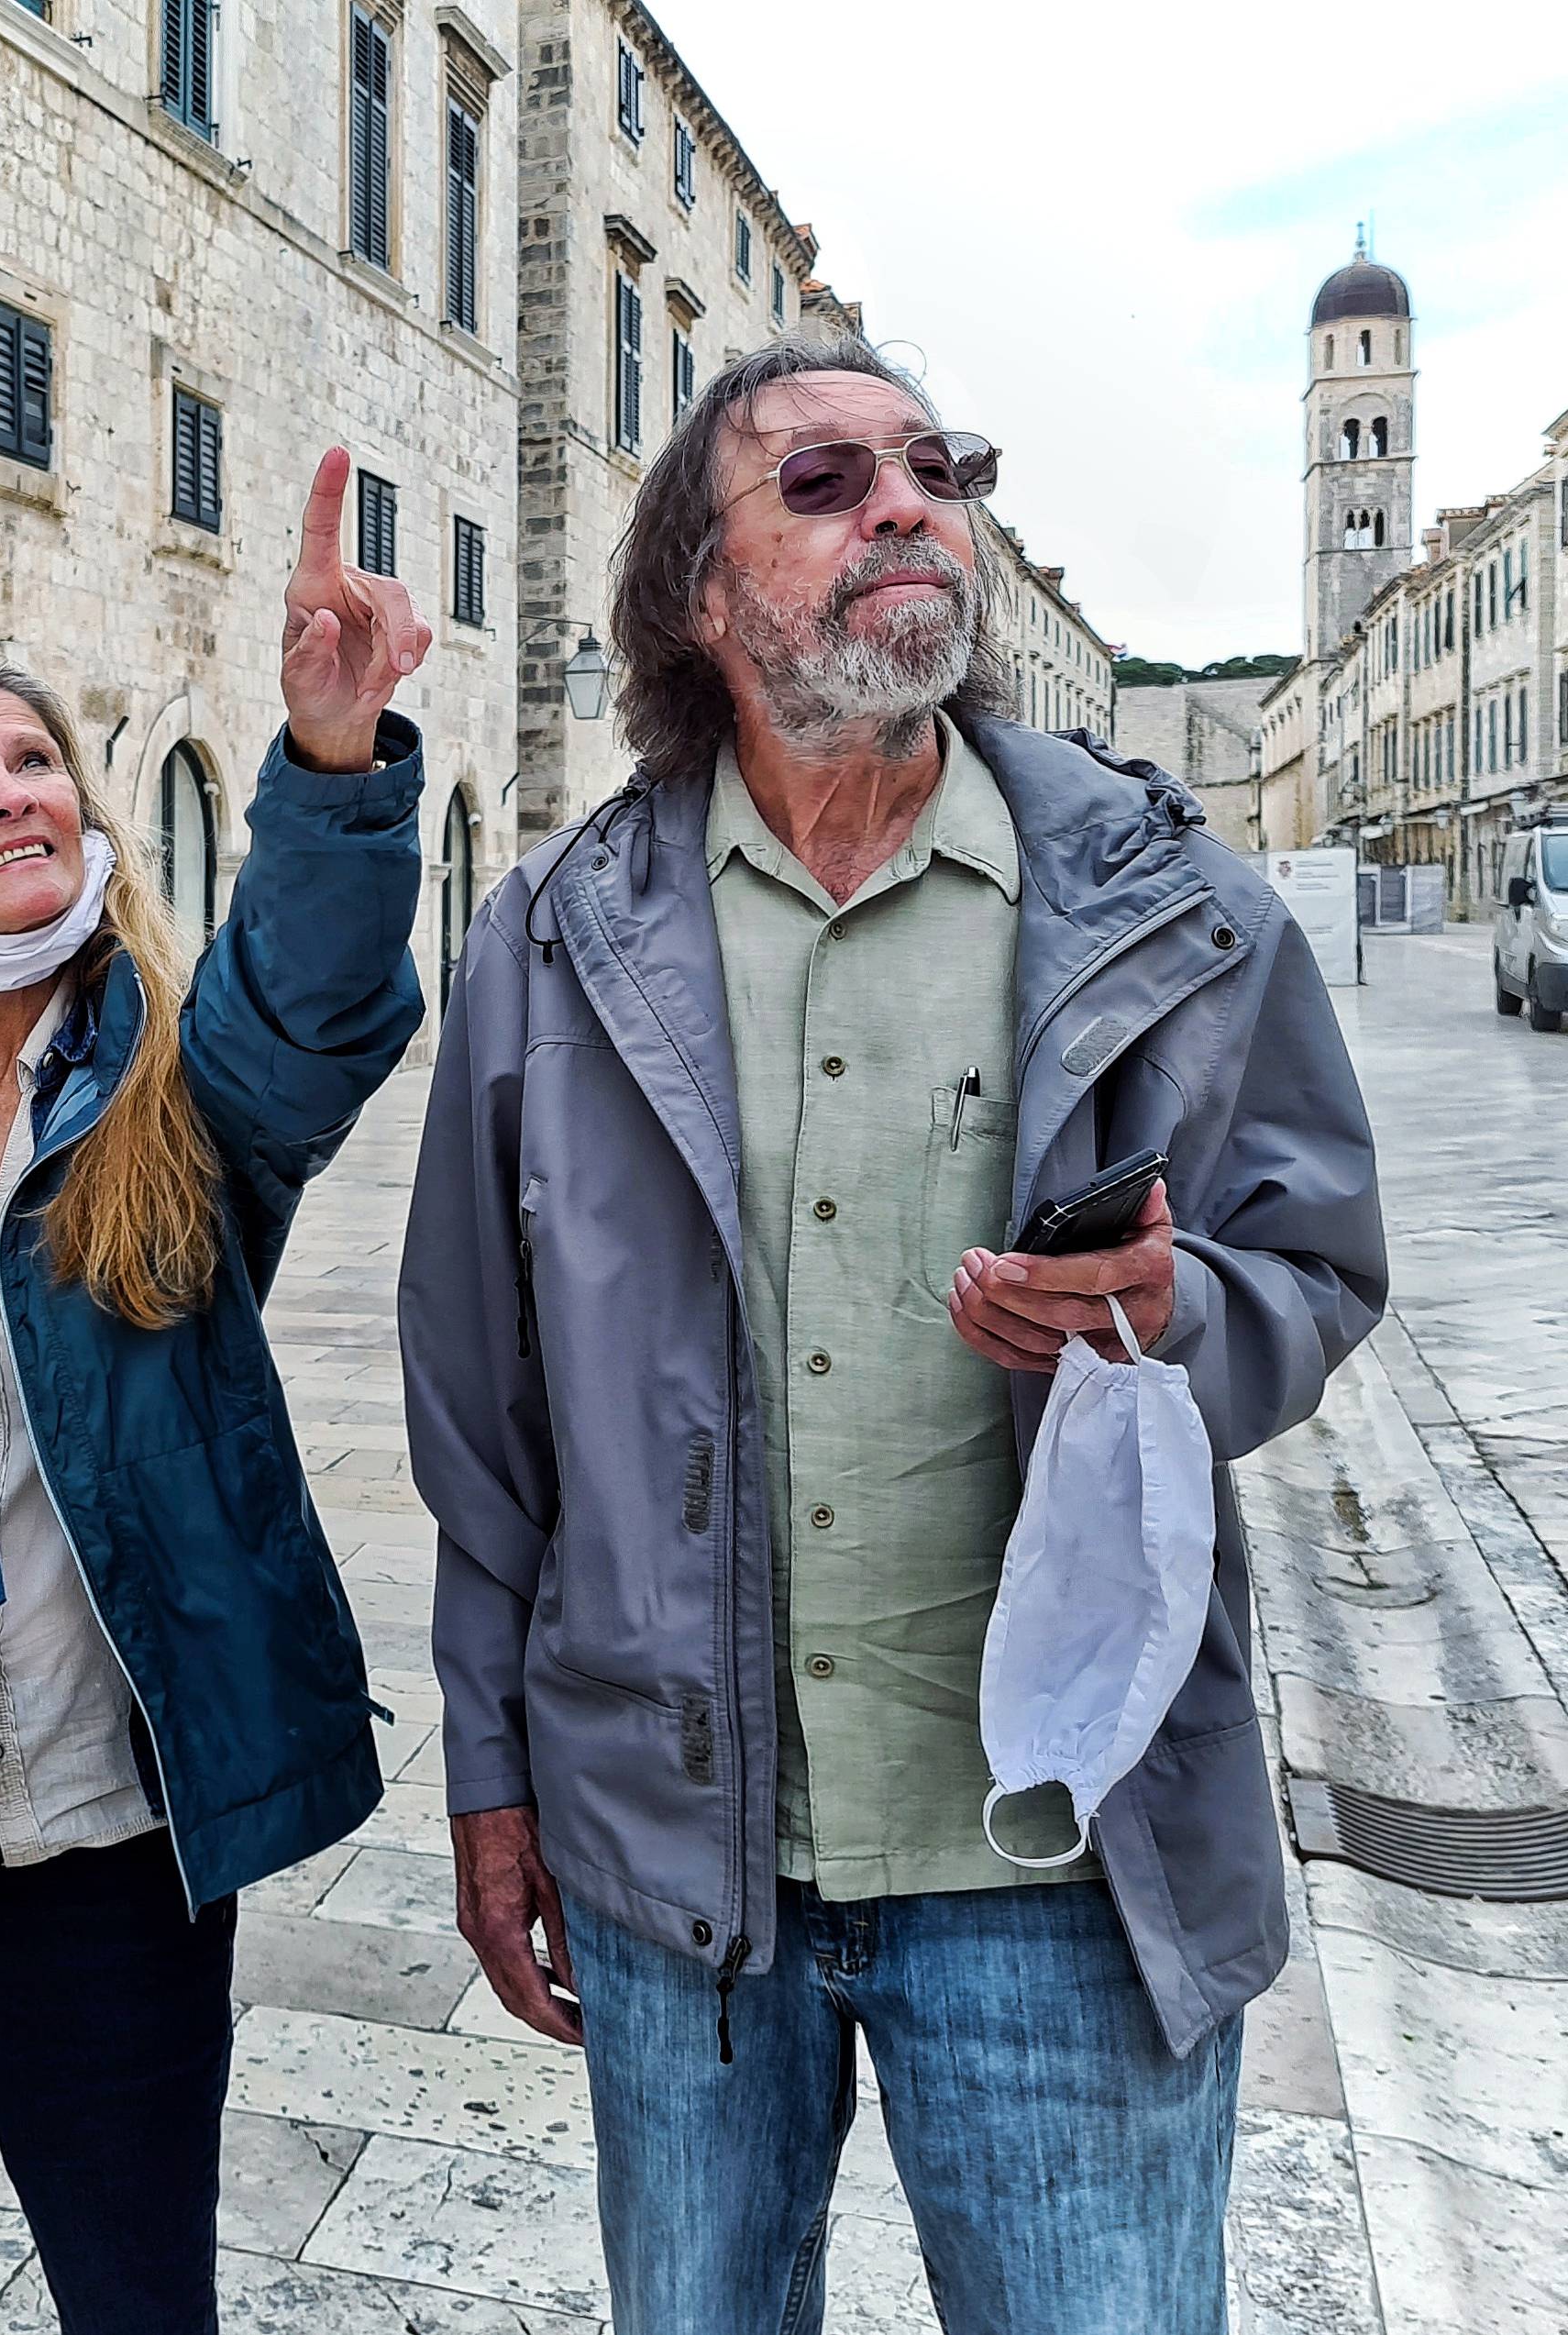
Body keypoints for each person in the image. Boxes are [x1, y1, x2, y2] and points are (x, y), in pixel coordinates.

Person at [399, 339, 1386, 2333]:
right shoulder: (553, 943)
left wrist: (1177, 1308)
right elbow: (481, 1414)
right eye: (829, 481)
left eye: (940, 468)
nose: (910, 505)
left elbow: (1318, 1264)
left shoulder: (1167, 899)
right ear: (703, 589)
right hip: (683, 1882)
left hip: (1060, 1856)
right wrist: (492, 1780)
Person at [0, 448, 432, 2335]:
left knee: (139, 2293)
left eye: (37, 761)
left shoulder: (181, 1078)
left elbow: (317, 1002)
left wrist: (332, 765)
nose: (13, 789)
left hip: (114, 1837)